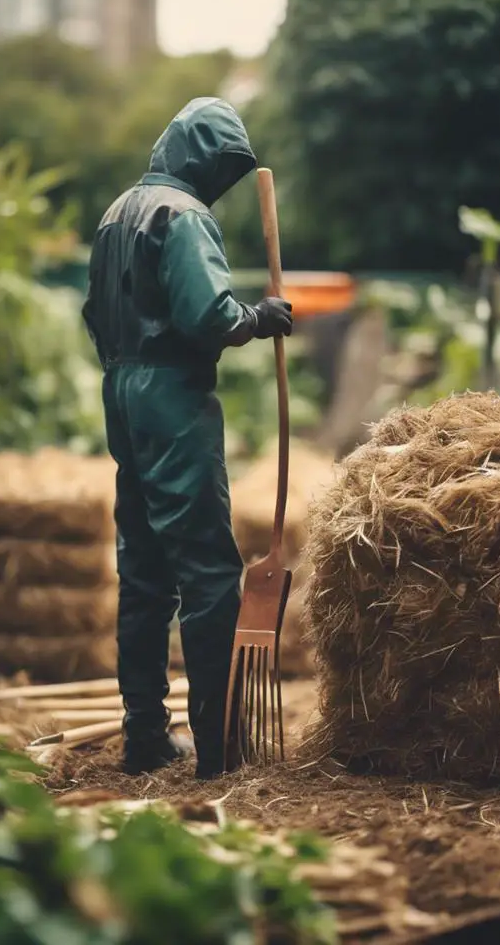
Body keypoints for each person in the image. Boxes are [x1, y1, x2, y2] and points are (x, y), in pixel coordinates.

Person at [82, 97, 293, 779]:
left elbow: (93, 309)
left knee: (143, 570)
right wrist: (257, 318)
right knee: (206, 571)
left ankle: (144, 736)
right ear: (202, 157)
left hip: (121, 387)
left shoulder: (117, 211)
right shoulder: (183, 214)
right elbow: (206, 315)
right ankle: (220, 745)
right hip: (171, 392)